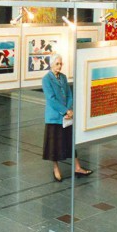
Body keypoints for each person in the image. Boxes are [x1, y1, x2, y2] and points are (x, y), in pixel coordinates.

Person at [42, 53, 92, 182]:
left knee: (70, 141)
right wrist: (65, 111)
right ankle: (56, 168)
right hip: (54, 117)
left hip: (66, 116)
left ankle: (77, 167)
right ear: (51, 64)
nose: (60, 66)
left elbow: (70, 94)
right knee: (54, 144)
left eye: (61, 63)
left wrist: (69, 110)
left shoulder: (63, 77)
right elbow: (51, 99)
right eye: (57, 64)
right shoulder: (46, 79)